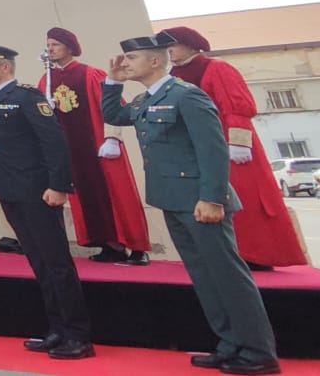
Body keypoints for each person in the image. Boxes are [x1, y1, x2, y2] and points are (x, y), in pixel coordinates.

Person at [104, 33, 281, 376]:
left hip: (200, 201)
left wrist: (213, 198)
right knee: (204, 277)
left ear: (155, 61)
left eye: (132, 58)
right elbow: (115, 114)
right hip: (171, 200)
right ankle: (230, 344)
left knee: (228, 277)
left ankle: (259, 351)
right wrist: (112, 81)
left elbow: (212, 150)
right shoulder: (145, 99)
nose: (126, 63)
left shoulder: (186, 96)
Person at [0, 43, 94, 360]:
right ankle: (57, 329)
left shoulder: (26, 97)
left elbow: (54, 142)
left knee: (57, 263)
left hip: (36, 190)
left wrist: (58, 186)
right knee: (39, 261)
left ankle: (77, 335)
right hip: (10, 190)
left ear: (5, 67)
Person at [162, 25, 305, 270]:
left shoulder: (216, 68)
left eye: (172, 45)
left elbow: (237, 106)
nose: (169, 52)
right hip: (194, 147)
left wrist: (238, 142)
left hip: (228, 144)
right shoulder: (172, 75)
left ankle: (256, 254)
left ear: (189, 44)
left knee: (244, 198)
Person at [38, 27, 151, 265]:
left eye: (55, 44)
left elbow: (112, 107)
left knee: (118, 194)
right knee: (86, 196)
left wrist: (112, 138)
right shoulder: (46, 80)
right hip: (71, 150)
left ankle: (137, 247)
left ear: (69, 47)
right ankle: (108, 244)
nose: (50, 49)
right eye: (48, 44)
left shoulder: (90, 74)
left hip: (99, 146)